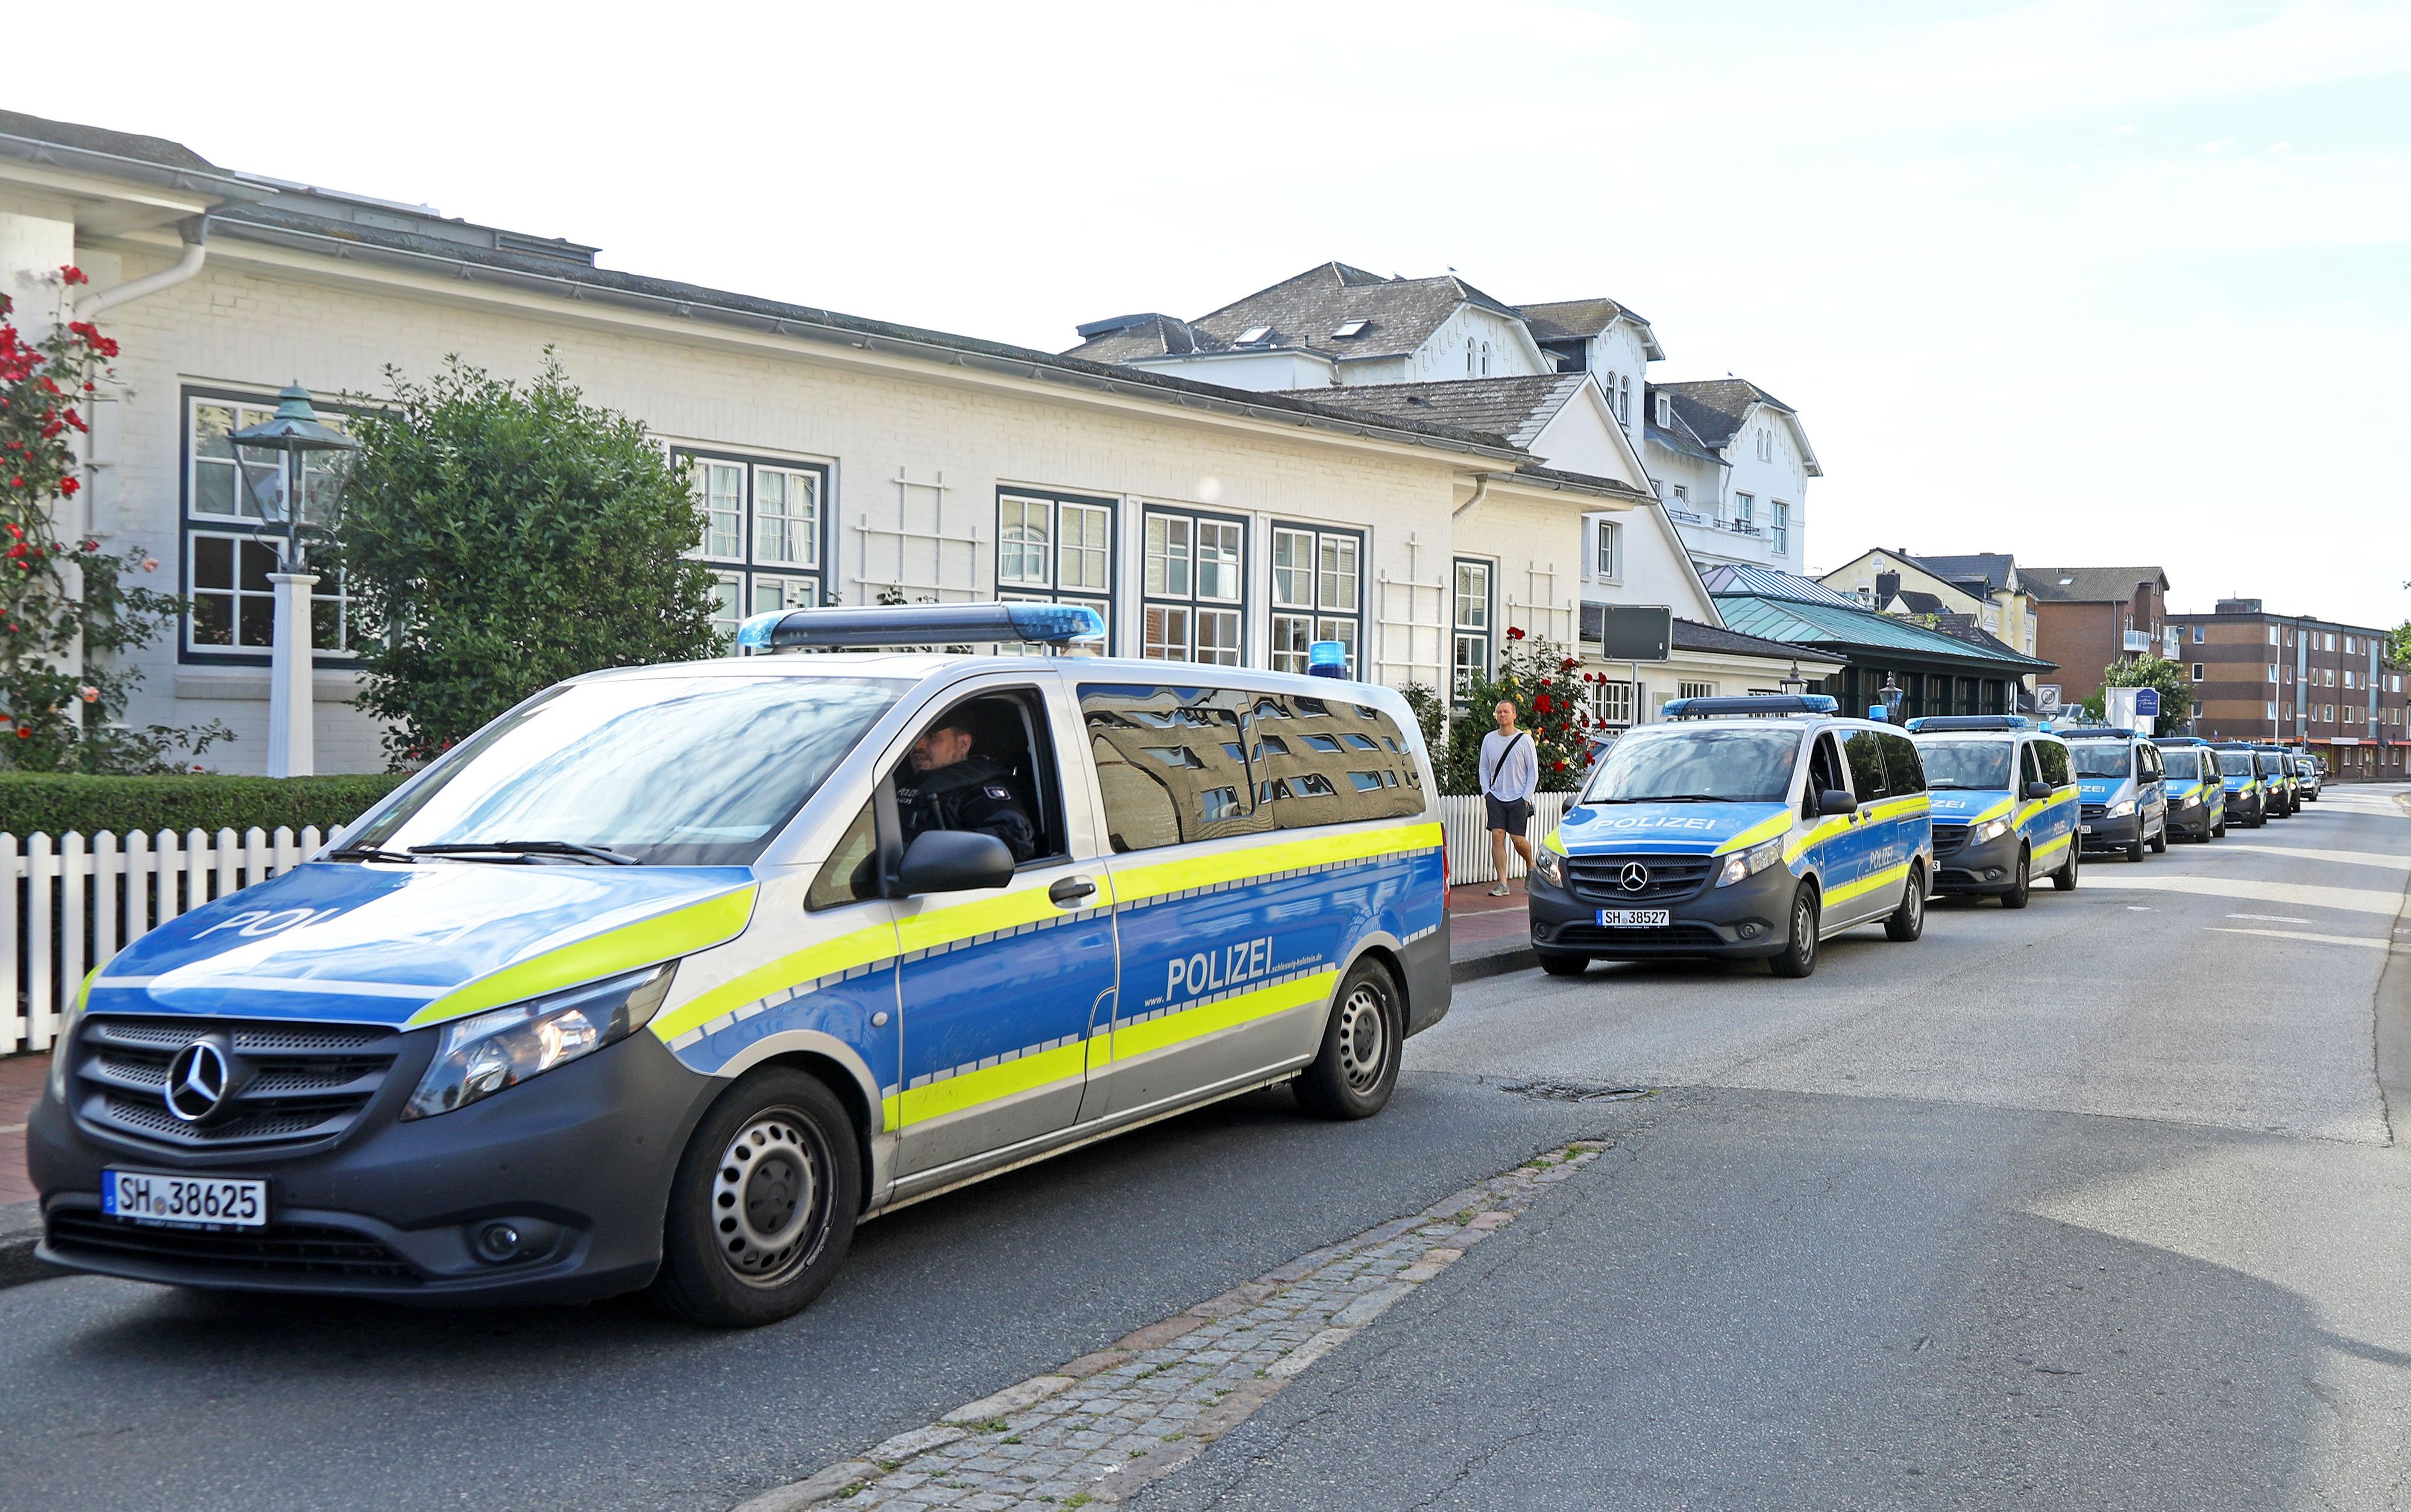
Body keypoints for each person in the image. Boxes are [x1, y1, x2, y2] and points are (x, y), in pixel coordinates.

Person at [896, 718, 1038, 862]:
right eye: (915, 736)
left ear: (963, 744)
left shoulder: (979, 790)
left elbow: (1014, 839)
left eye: (932, 737)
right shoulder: (892, 778)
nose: (918, 745)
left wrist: (938, 853)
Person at [1479, 698, 1538, 897]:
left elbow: (1533, 772)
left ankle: (1531, 866)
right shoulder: (1489, 739)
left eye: (1506, 712)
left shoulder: (1525, 741)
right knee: (1497, 835)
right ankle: (1503, 883)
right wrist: (1487, 791)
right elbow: (1484, 767)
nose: (1502, 715)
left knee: (1517, 839)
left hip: (1518, 798)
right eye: (1499, 712)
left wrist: (1526, 797)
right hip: (1495, 796)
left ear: (1514, 715)